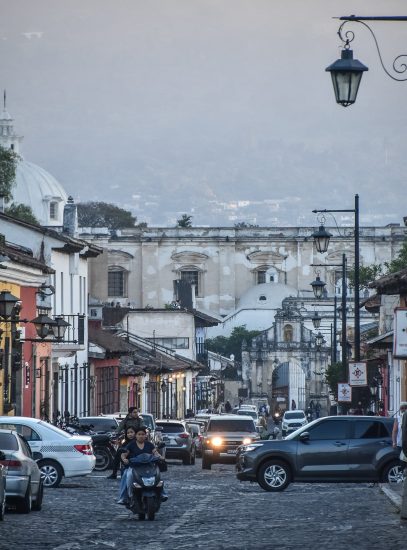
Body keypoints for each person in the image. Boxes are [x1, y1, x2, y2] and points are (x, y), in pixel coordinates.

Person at [117, 426, 166, 505]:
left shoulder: (149, 444)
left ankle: (162, 493)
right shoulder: (131, 445)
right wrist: (124, 459)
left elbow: (155, 453)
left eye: (143, 434)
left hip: (148, 466)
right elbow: (124, 454)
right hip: (134, 466)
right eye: (139, 434)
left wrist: (161, 457)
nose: (141, 436)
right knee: (129, 476)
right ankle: (129, 496)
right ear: (136, 435)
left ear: (146, 435)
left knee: (158, 476)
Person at [107, 407, 144, 479]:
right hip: (127, 440)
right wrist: (116, 433)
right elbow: (119, 428)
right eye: (134, 412)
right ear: (130, 413)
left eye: (137, 412)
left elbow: (142, 427)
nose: (136, 414)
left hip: (137, 440)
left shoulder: (139, 420)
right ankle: (114, 473)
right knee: (118, 453)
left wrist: (141, 431)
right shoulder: (126, 420)